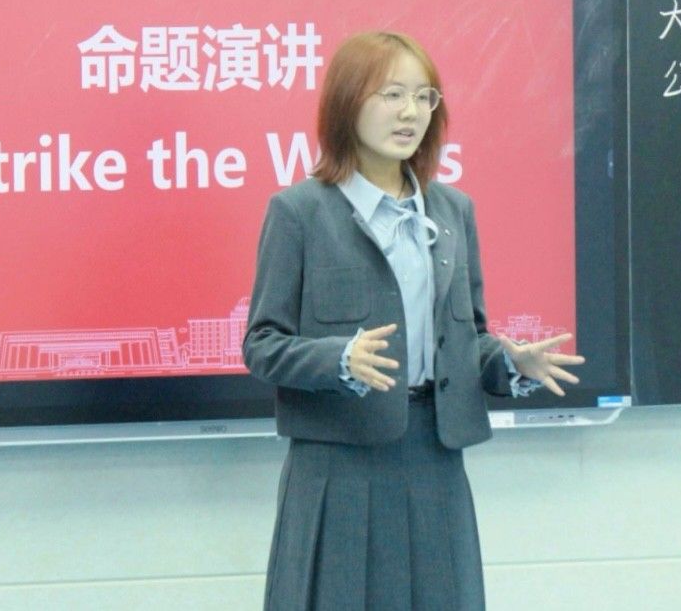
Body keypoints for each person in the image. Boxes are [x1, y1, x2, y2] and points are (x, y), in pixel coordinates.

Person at [243, 30, 583, 611]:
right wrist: (338, 359)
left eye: (424, 97)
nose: (410, 112)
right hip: (338, 461)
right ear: (348, 102)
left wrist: (509, 362)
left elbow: (467, 338)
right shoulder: (299, 212)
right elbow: (262, 344)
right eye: (392, 94)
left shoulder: (453, 210)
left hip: (434, 453)